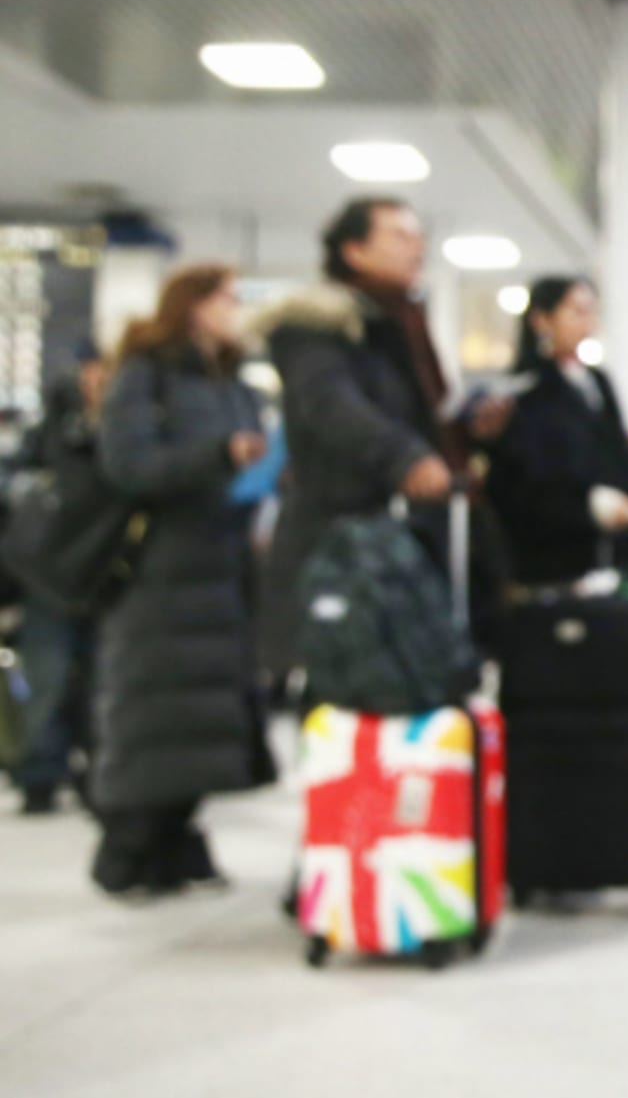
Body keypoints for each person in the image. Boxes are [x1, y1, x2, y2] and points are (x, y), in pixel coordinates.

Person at [253, 198, 509, 685]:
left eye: (418, 235)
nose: (417, 246)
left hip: (405, 543)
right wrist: (405, 458)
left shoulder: (401, 326)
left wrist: (471, 431)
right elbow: (331, 406)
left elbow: (416, 417)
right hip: (342, 547)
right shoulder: (316, 325)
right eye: (399, 235)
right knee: (350, 697)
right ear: (353, 251)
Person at [90, 265, 270, 897]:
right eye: (227, 297)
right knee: (155, 716)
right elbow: (129, 465)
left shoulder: (234, 381)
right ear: (192, 305)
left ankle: (173, 845)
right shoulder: (145, 373)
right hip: (161, 574)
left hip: (223, 568)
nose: (236, 309)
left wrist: (261, 474)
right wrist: (220, 455)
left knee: (203, 721)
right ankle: (128, 849)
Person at [484, 276, 628, 587]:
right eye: (577, 312)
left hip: (613, 552)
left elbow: (610, 451)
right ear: (541, 319)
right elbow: (526, 475)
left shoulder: (598, 382)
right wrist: (591, 504)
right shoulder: (525, 389)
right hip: (553, 556)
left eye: (591, 312)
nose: (587, 323)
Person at [6, 346, 107, 815]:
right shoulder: (52, 432)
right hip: (48, 578)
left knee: (95, 680)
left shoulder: (125, 425)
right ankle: (39, 774)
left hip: (102, 575)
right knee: (48, 678)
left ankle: (92, 769)